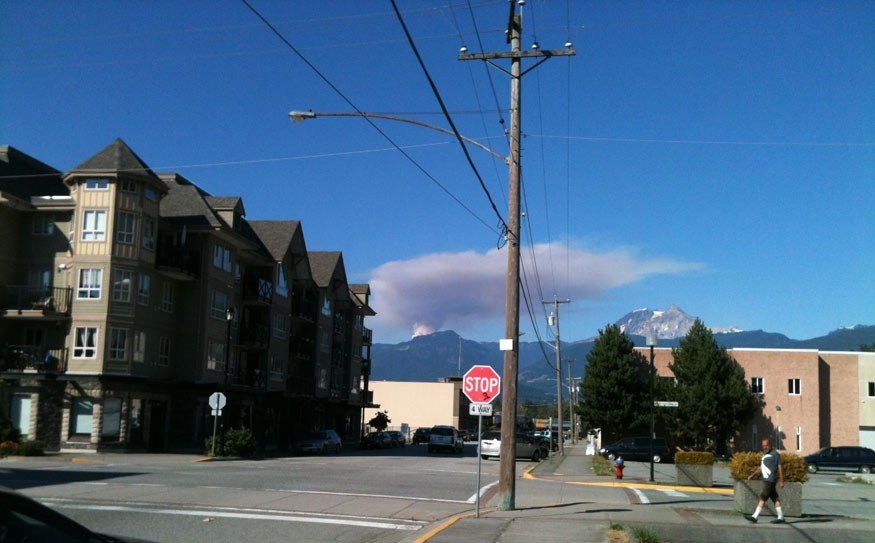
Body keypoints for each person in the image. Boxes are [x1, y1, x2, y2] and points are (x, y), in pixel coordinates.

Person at [745, 438, 785, 524]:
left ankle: (755, 516)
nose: (765, 447)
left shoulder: (775, 454)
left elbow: (780, 467)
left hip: (770, 480)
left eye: (766, 445)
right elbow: (761, 467)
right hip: (766, 479)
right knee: (775, 498)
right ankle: (781, 517)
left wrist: (782, 481)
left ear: (770, 445)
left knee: (763, 496)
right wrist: (752, 475)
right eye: (763, 446)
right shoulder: (764, 454)